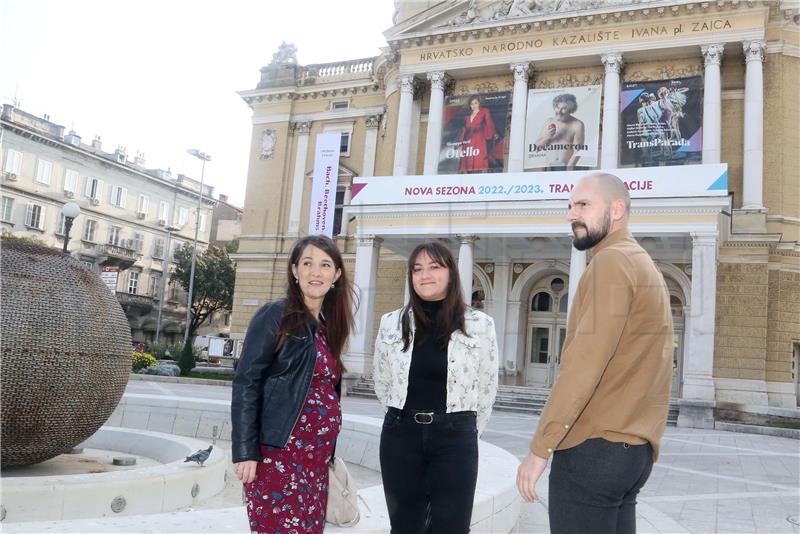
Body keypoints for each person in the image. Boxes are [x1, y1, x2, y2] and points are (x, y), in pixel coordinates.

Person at [516, 173, 673, 534]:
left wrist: (541, 448)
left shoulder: (611, 262)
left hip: (594, 449)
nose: (572, 214)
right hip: (633, 452)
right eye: (570, 206)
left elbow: (583, 366)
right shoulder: (644, 265)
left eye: (583, 205)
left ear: (617, 209)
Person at [231, 234, 354, 534]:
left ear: (336, 275)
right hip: (280, 458)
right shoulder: (275, 315)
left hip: (315, 463)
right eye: (308, 263)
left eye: (325, 265)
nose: (316, 272)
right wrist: (245, 451)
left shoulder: (327, 326)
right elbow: (247, 382)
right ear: (295, 270)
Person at [373, 240, 499, 533]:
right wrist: (402, 421)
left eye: (434, 267)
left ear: (451, 273)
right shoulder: (391, 322)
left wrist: (461, 428)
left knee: (452, 528)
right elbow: (382, 381)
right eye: (417, 269)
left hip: (455, 438)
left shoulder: (480, 324)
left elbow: (487, 386)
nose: (424, 275)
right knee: (405, 527)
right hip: (400, 435)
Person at [534, 93, 586, 170]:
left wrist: (569, 168)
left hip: (566, 167)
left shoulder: (577, 124)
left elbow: (578, 150)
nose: (559, 111)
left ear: (570, 109)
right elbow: (536, 148)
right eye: (558, 107)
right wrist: (548, 136)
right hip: (548, 167)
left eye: (564, 108)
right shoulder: (549, 122)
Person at [458, 95, 500, 173]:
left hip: (479, 139)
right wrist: (461, 141)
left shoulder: (484, 111)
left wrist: (493, 133)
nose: (474, 105)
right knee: (468, 163)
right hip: (468, 140)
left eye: (475, 103)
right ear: (470, 105)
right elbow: (465, 129)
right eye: (472, 104)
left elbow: (489, 123)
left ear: (479, 103)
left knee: (479, 161)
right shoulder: (468, 116)